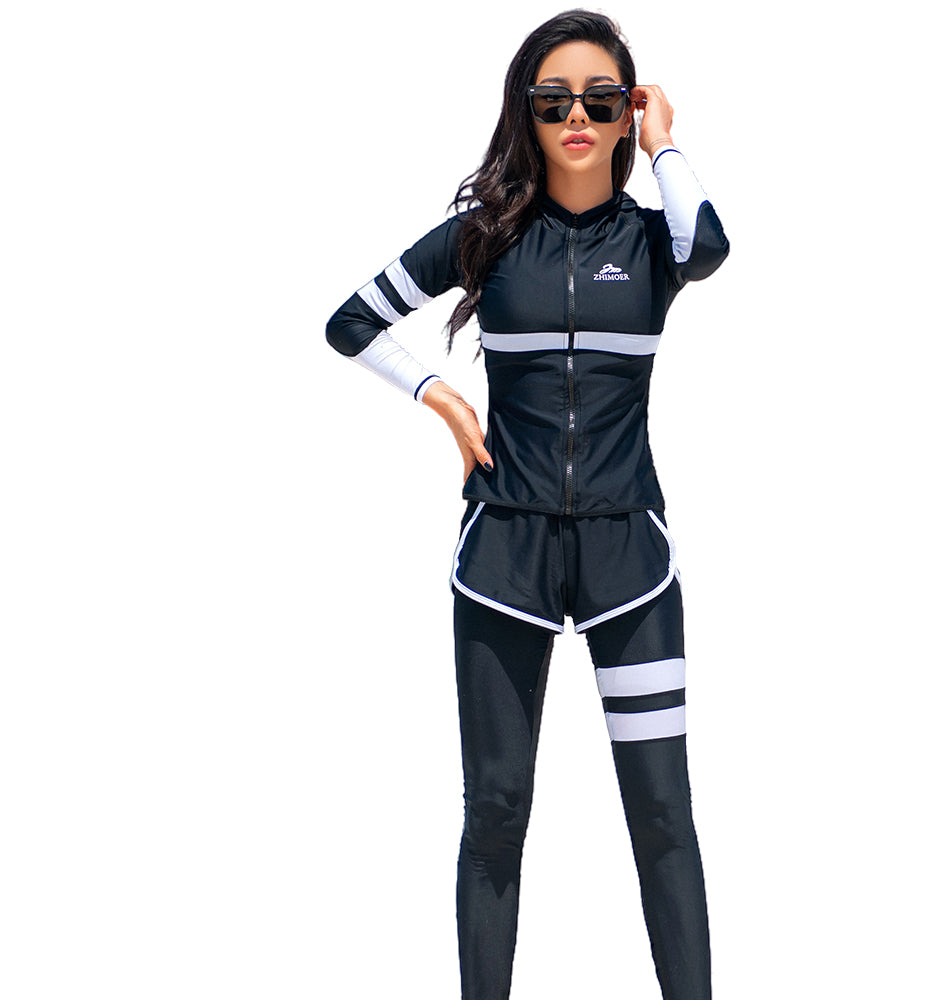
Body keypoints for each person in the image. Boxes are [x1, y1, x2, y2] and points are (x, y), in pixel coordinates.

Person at [326, 9, 729, 999]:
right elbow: (351, 321)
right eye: (554, 101)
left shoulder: (653, 244)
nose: (577, 117)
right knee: (497, 813)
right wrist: (440, 395)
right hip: (501, 559)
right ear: (526, 113)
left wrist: (665, 141)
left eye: (602, 99)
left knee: (662, 817)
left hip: (632, 564)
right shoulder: (484, 237)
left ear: (626, 110)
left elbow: (710, 245)